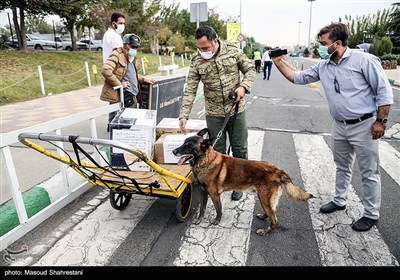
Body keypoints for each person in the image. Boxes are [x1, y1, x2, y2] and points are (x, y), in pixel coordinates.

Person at [271, 22, 393, 232]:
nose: (320, 46)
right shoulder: (323, 66)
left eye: (323, 43)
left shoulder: (364, 61)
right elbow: (297, 78)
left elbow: (384, 93)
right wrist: (278, 62)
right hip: (340, 125)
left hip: (364, 125)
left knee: (369, 172)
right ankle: (339, 200)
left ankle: (371, 214)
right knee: (342, 166)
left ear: (337, 43)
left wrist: (380, 122)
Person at [178, 25, 256, 201]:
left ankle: (239, 183)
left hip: (236, 109)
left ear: (215, 40)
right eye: (199, 47)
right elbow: (190, 89)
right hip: (213, 112)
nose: (202, 51)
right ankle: (217, 182)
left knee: (240, 148)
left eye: (205, 47)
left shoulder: (233, 50)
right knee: (216, 150)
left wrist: (243, 87)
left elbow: (250, 70)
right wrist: (184, 115)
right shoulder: (197, 60)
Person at [100, 33, 154, 128]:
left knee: (129, 123)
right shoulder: (117, 54)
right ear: (125, 44)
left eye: (136, 47)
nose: (135, 49)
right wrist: (120, 84)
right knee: (119, 124)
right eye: (133, 46)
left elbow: (131, 74)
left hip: (132, 93)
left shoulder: (131, 57)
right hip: (122, 94)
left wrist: (143, 79)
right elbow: (106, 70)